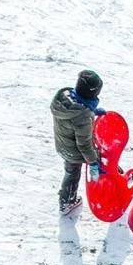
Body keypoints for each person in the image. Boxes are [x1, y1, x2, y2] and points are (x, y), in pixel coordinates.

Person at [50, 69, 107, 216]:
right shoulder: (83, 117)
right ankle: (67, 203)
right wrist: (93, 162)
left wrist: (91, 112)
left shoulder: (63, 99)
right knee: (72, 175)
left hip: (62, 143)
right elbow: (84, 145)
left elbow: (73, 115)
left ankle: (66, 200)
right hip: (72, 152)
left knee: (69, 172)